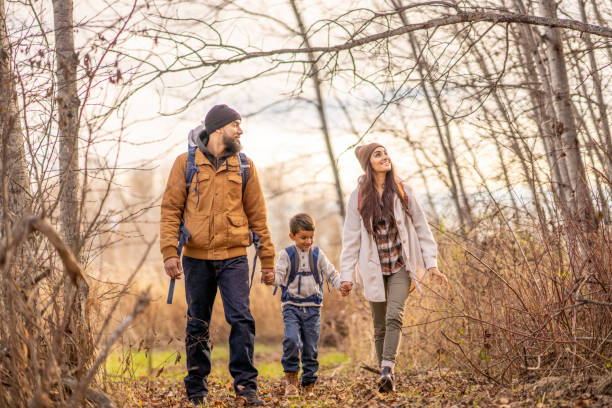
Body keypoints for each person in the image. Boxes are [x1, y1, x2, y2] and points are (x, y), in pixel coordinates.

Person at [160, 104, 275, 406]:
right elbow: (171, 211)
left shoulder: (245, 165)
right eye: (236, 124)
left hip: (234, 256)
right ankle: (196, 389)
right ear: (218, 129)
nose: (241, 130)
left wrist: (267, 261)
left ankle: (246, 388)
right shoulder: (185, 163)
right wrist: (170, 252)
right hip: (196, 258)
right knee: (197, 322)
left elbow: (258, 217)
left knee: (242, 319)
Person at [338, 142, 448, 393]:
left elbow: (422, 228)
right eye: (378, 155)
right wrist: (347, 276)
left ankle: (387, 367)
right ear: (368, 163)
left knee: (393, 315)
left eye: (385, 153)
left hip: (401, 266)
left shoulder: (402, 190)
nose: (385, 157)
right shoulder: (358, 197)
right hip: (374, 270)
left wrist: (431, 265)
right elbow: (351, 239)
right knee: (378, 325)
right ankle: (385, 377)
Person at [262, 213, 343, 397]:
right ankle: (291, 380)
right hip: (291, 306)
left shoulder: (317, 254)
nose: (308, 241)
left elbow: (331, 274)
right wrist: (271, 278)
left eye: (311, 237)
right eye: (303, 237)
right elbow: (279, 277)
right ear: (293, 236)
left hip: (313, 309)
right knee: (291, 340)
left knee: (311, 348)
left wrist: (341, 285)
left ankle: (308, 384)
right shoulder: (286, 255)